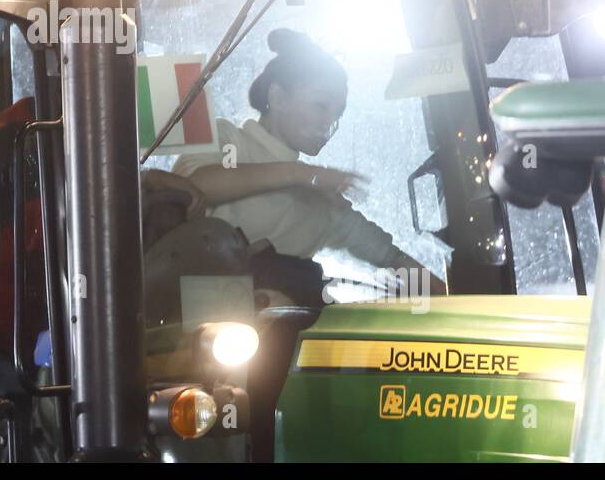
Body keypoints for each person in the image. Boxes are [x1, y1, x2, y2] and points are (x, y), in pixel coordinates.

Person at [171, 28, 438, 304]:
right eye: (321, 106)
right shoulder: (228, 141)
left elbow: (391, 258)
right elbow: (192, 188)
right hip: (192, 325)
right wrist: (302, 174)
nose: (330, 124)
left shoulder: (321, 202)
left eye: (338, 114)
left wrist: (459, 302)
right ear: (277, 98)